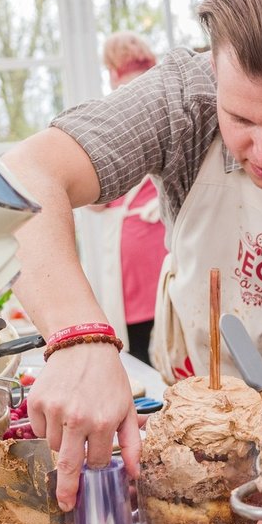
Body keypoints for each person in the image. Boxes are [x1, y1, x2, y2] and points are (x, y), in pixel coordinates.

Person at [3, 0, 262, 511]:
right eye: (240, 119)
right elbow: (22, 176)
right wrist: (80, 342)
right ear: (214, 74)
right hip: (190, 409)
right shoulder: (182, 97)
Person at [87, 32, 166, 365]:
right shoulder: (164, 93)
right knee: (168, 327)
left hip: (132, 247)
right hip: (163, 239)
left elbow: (96, 199)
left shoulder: (115, 105)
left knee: (137, 349)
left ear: (112, 67)